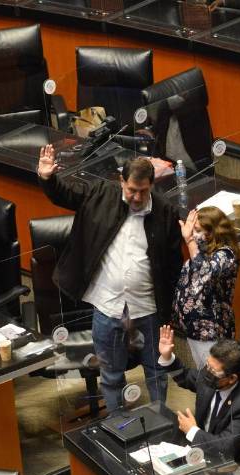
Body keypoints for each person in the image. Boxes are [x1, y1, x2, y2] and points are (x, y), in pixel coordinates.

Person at [38, 144, 182, 412]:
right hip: (108, 305)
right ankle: (116, 426)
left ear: (152, 185)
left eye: (143, 191)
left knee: (157, 370)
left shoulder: (165, 212)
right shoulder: (101, 193)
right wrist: (48, 178)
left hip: (149, 308)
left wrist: (170, 309)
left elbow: (173, 265)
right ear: (121, 182)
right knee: (111, 375)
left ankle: (161, 421)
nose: (137, 197)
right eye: (131, 190)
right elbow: (65, 194)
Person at [157, 325, 240, 445]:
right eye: (208, 365)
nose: (207, 373)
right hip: (201, 441)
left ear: (232, 378)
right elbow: (186, 377)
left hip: (224, 452)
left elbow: (226, 447)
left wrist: (192, 431)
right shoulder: (214, 371)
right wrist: (168, 357)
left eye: (213, 371)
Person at [173, 207, 239, 368]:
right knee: (203, 374)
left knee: (214, 374)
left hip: (211, 332)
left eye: (197, 230)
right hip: (193, 330)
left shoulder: (226, 255)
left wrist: (189, 241)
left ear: (213, 232)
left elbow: (205, 272)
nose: (192, 234)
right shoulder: (202, 252)